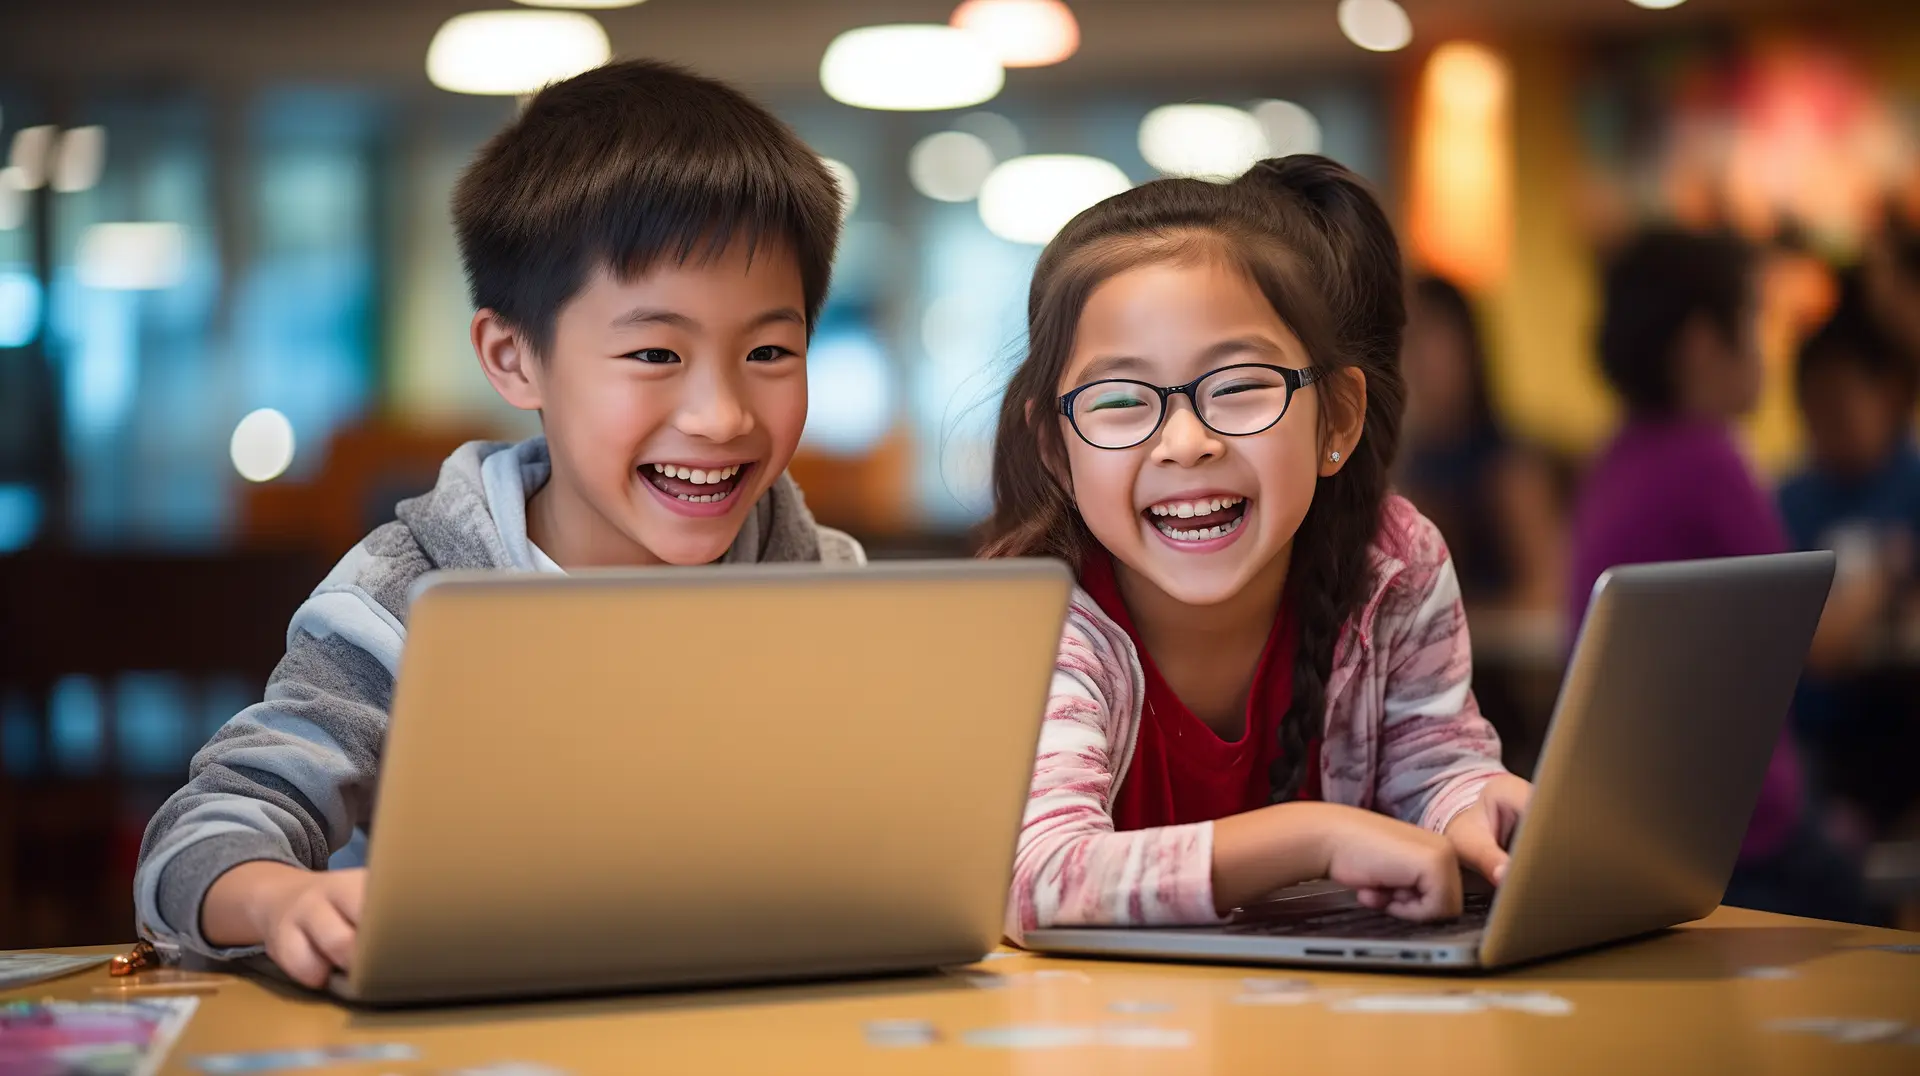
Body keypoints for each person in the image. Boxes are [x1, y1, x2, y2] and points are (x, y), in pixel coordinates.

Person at [133, 60, 862, 986]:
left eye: (769, 350)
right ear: (514, 359)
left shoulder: (831, 583)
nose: (721, 416)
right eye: (653, 352)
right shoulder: (404, 598)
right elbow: (198, 839)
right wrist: (282, 899)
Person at [984, 156, 1529, 940]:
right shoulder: (1035, 622)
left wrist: (1476, 805)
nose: (1186, 442)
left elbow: (1434, 767)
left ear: (1336, 419)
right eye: (1118, 400)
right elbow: (1034, 877)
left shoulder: (1392, 565)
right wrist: (1313, 838)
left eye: (1238, 386)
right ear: (1054, 447)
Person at [1567, 228, 1863, 921]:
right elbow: (1818, 639)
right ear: (1703, 343)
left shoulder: (1617, 457)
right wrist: (1885, 570)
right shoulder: (1708, 460)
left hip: (1634, 819)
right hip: (1735, 828)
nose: (1767, 347)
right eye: (1755, 321)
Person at [1778, 294, 1920, 838]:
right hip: (1806, 737)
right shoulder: (1792, 496)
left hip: (1891, 735)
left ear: (1888, 394)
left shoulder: (1909, 485)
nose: (1824, 424)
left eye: (1838, 404)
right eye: (1810, 408)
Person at [1397, 275, 1564, 612]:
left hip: (1504, 659)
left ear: (1468, 349)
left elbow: (1551, 587)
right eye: (1406, 342)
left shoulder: (1508, 467)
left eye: (1429, 338)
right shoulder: (1409, 465)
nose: (1417, 361)